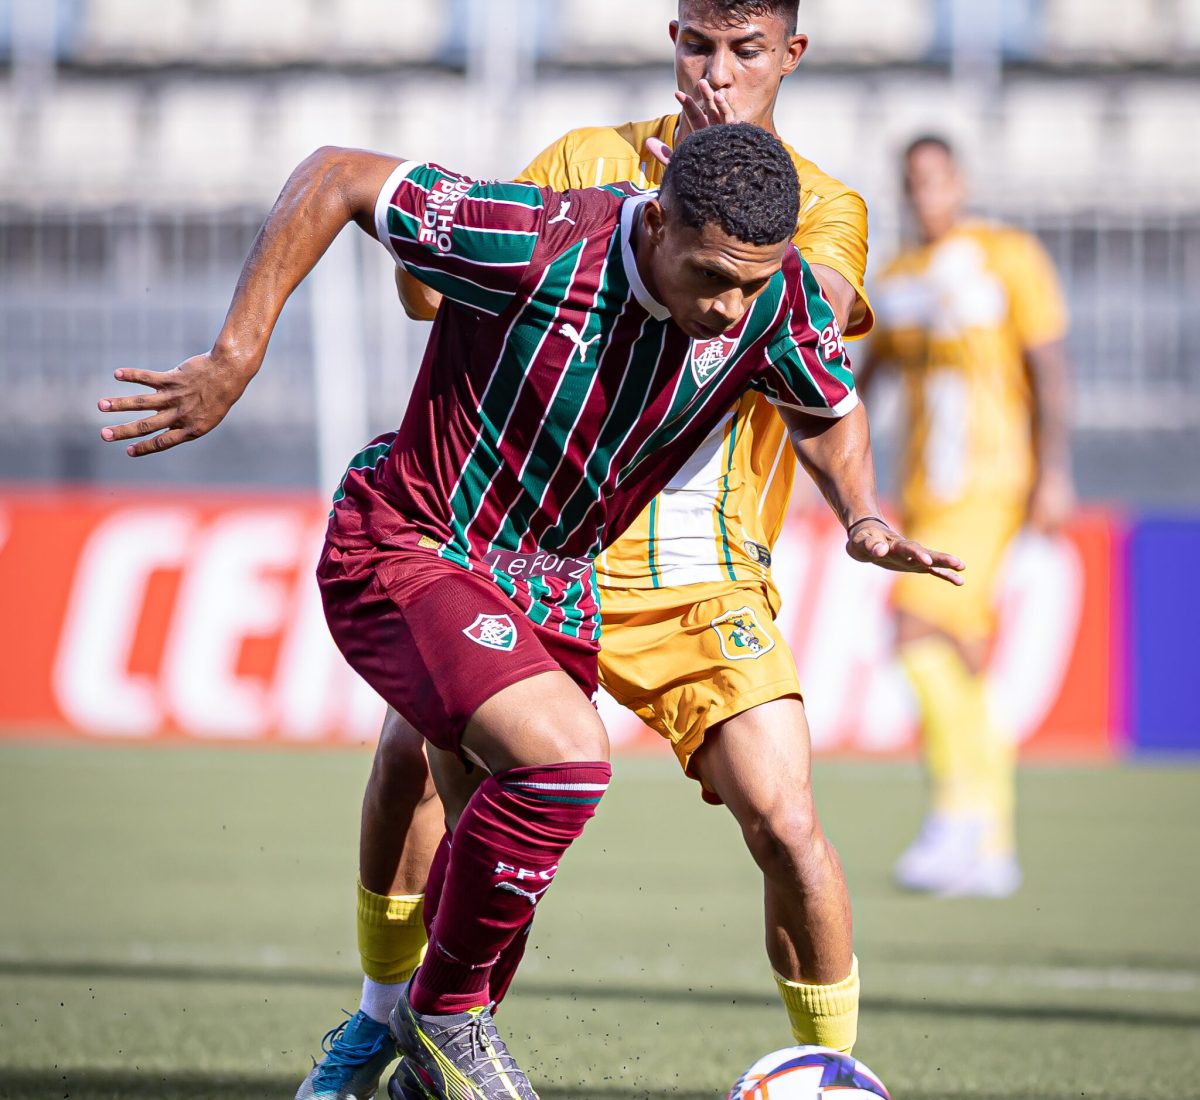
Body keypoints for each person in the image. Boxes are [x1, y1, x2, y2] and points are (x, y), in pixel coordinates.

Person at [99, 122, 962, 1099]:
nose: (729, 307)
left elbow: (830, 404)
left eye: (750, 285)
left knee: (496, 864)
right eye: (712, 275)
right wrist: (236, 354)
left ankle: (419, 1057)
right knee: (567, 757)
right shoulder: (535, 241)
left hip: (555, 580)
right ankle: (435, 1015)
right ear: (661, 221)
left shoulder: (770, 298)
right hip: (410, 544)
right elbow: (337, 176)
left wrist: (862, 513)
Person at [297, 3, 888, 1097]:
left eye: (743, 51)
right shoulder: (582, 160)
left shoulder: (807, 202)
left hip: (695, 560)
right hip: (522, 538)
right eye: (697, 46)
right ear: (672, 41)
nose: (714, 72)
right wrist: (598, 221)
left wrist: (700, 205)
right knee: (408, 764)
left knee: (789, 818)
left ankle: (830, 1073)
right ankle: (383, 1027)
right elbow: (433, 288)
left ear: (788, 57)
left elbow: (820, 314)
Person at [864, 134, 1073, 898]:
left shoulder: (1007, 256)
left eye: (936, 180)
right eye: (912, 182)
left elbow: (1048, 364)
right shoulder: (896, 279)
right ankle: (993, 842)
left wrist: (1054, 470)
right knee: (965, 658)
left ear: (960, 181)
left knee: (915, 630)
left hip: (991, 484)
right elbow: (862, 379)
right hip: (926, 493)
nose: (926, 195)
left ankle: (955, 817)